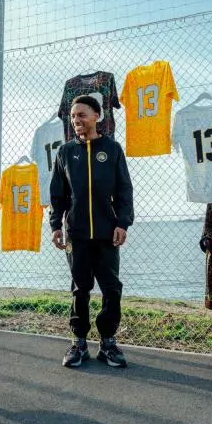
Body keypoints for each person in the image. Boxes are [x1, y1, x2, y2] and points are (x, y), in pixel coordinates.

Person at [49, 95, 134, 368]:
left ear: (97, 116)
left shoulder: (112, 149)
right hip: (77, 233)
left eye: (82, 115)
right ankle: (79, 343)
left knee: (111, 288)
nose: (76, 120)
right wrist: (55, 226)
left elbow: (124, 190)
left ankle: (108, 342)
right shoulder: (65, 153)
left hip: (107, 233)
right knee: (80, 289)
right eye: (73, 116)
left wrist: (122, 222)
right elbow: (57, 195)